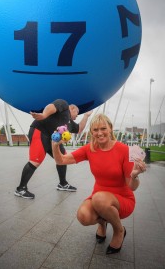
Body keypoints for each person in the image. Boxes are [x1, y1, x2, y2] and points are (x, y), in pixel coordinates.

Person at [52, 114, 146, 255]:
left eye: (103, 128)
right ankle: (102, 223)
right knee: (83, 216)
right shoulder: (90, 149)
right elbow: (61, 161)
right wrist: (55, 146)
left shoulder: (124, 150)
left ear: (110, 129)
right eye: (95, 130)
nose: (100, 133)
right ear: (91, 132)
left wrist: (134, 175)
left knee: (99, 199)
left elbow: (132, 187)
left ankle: (119, 230)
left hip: (122, 199)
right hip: (99, 198)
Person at [14, 99, 92, 199]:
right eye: (77, 113)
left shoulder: (69, 123)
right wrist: (44, 115)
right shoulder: (64, 105)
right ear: (72, 108)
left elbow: (80, 129)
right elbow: (51, 107)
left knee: (63, 158)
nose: (77, 116)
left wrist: (86, 116)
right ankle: (20, 189)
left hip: (52, 138)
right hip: (40, 131)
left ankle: (62, 184)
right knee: (35, 161)